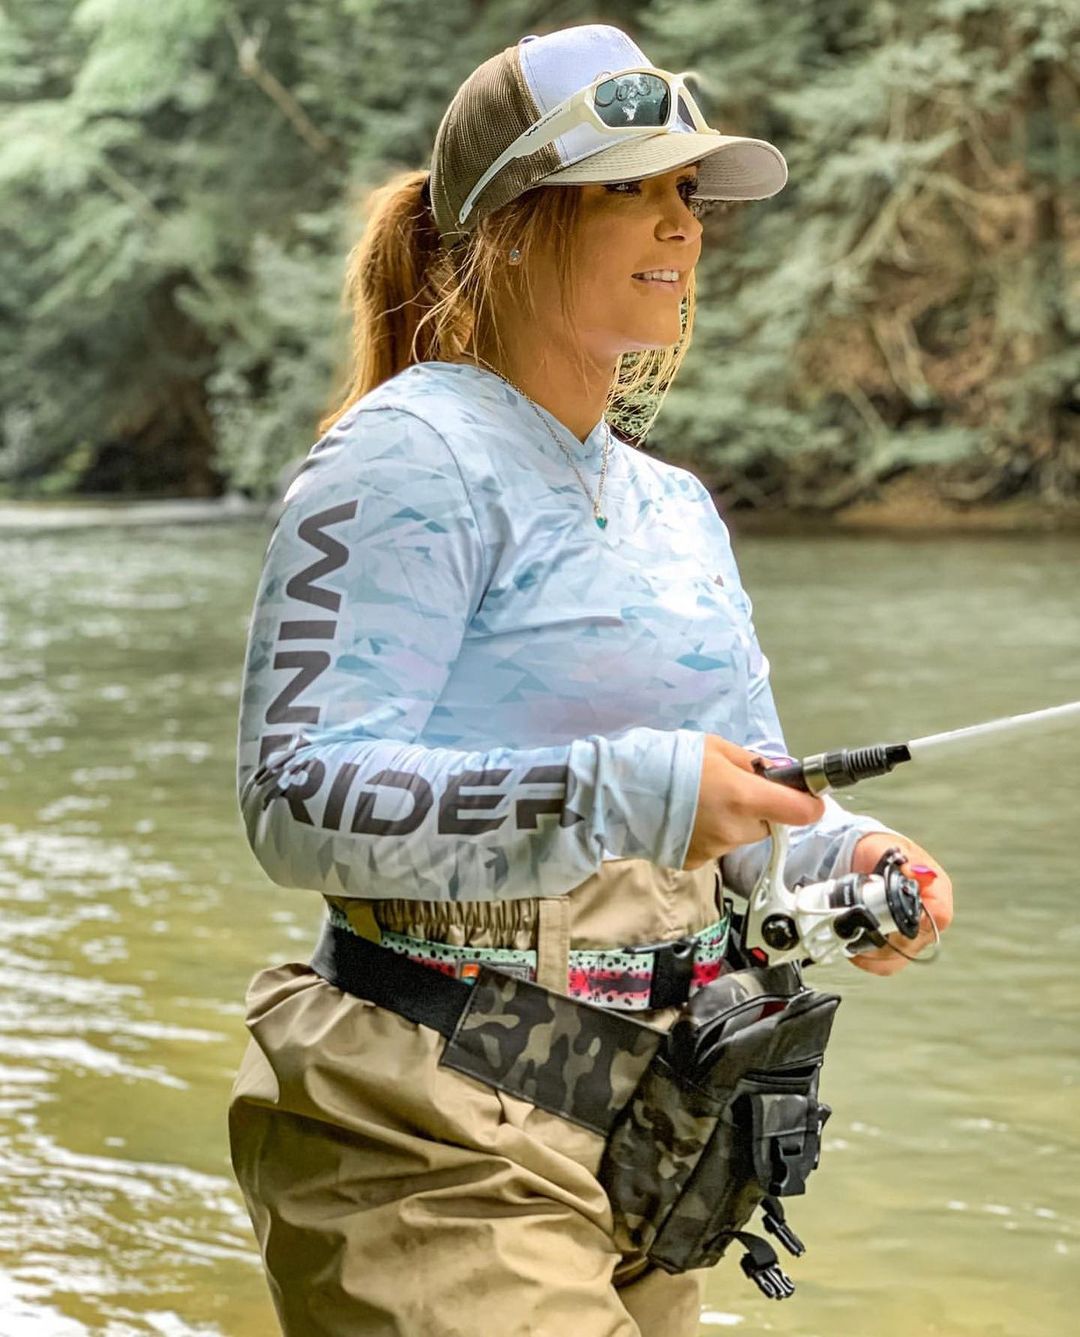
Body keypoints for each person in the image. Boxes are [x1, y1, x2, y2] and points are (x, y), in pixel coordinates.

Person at [228, 22, 953, 1337]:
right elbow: (295, 796)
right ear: (509, 225)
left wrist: (847, 853)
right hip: (427, 1131)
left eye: (689, 190)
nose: (683, 223)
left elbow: (753, 795)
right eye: (632, 186)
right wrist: (633, 788)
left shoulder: (677, 507)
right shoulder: (401, 461)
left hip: (656, 1134)